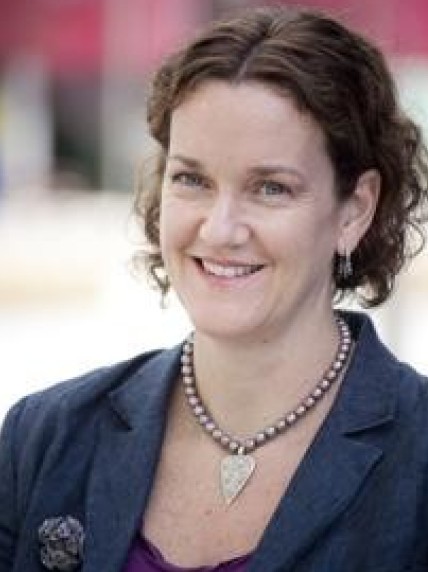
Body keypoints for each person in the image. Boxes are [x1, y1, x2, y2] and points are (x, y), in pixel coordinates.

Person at [1, 6, 428, 572]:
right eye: (192, 179)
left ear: (355, 209)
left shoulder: (418, 458)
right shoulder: (44, 439)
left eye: (270, 188)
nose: (220, 229)